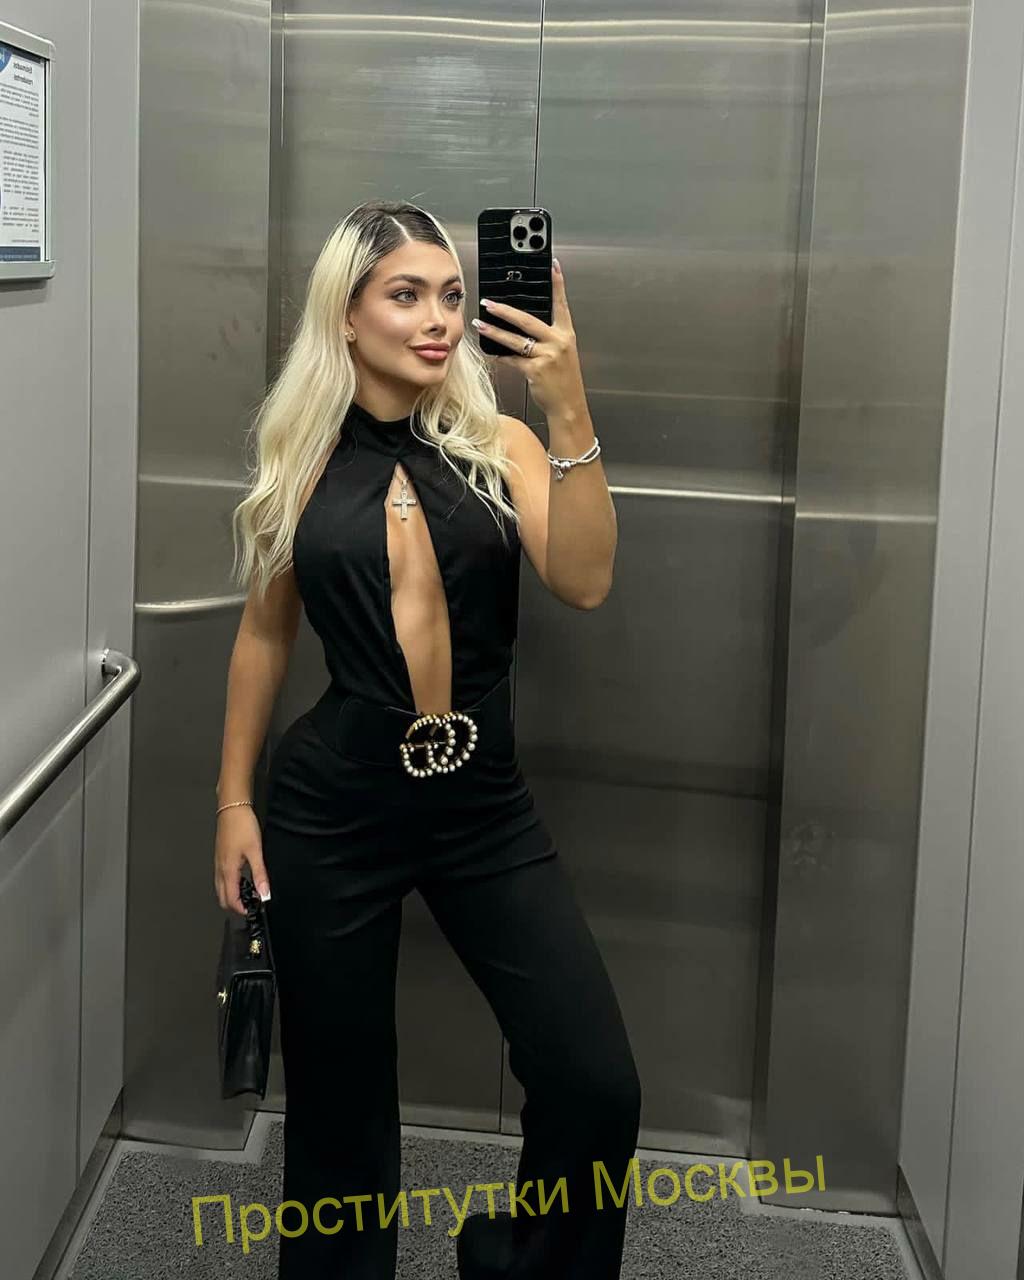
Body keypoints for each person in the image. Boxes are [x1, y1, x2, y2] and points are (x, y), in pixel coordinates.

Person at [213, 199, 641, 1278]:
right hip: (334, 806)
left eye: (451, 294)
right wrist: (234, 801)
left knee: (594, 1082)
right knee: (339, 1114)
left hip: (483, 807)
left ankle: (519, 1261)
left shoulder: (501, 444)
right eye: (405, 295)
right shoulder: (299, 459)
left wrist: (567, 401)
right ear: (346, 314)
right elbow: (264, 634)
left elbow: (585, 579)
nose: (438, 318)